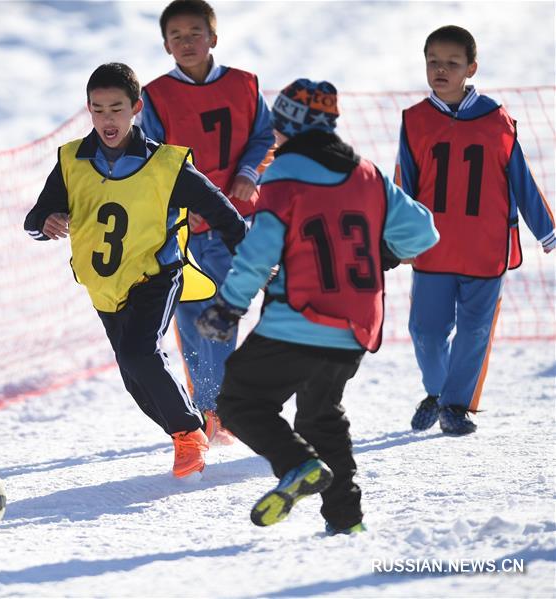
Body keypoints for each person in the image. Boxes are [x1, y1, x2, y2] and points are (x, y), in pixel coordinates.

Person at [196, 79, 439, 534]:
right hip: (357, 326)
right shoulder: (366, 173)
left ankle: (296, 465)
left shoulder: (284, 174)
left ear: (288, 127)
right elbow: (423, 233)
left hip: (299, 318)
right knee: (320, 416)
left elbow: (261, 249)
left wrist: (228, 305)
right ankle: (347, 521)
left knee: (239, 400)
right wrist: (380, 254)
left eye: (278, 128)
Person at [24, 63, 246, 479]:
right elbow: (36, 214)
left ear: (136, 108)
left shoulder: (165, 164)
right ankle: (187, 429)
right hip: (106, 287)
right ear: (88, 110)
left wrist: (250, 257)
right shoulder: (72, 160)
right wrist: (45, 221)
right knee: (133, 374)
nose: (108, 119)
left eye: (116, 109)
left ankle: (189, 434)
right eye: (98, 109)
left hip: (157, 275)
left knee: (138, 353)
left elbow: (222, 211)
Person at [397, 25, 555, 436]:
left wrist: (547, 230)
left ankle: (453, 406)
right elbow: (404, 183)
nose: (441, 70)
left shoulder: (497, 119)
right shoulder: (414, 120)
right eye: (434, 62)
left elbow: (521, 180)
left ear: (471, 67)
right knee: (426, 333)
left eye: (452, 63)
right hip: (434, 249)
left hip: (486, 249)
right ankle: (437, 391)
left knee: (474, 332)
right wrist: (396, 236)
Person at [139, 0, 275, 446]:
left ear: (212, 37)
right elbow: (152, 158)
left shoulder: (244, 84)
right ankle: (209, 408)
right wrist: (182, 202)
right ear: (165, 45)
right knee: (191, 311)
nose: (186, 42)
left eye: (194, 33)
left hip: (237, 221)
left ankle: (221, 405)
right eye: (176, 36)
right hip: (184, 226)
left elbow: (262, 137)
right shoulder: (156, 95)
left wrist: (247, 175)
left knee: (223, 310)